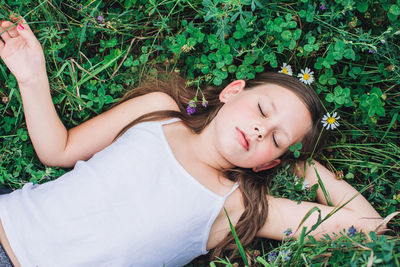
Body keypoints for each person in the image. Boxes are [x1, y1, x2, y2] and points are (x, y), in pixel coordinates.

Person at [0, 17, 385, 267]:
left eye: (276, 139)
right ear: (233, 92)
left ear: (269, 164)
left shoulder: (239, 207)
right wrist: (31, 76)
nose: (258, 131)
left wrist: (307, 169)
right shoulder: (158, 110)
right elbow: (59, 150)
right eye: (262, 111)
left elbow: (371, 227)